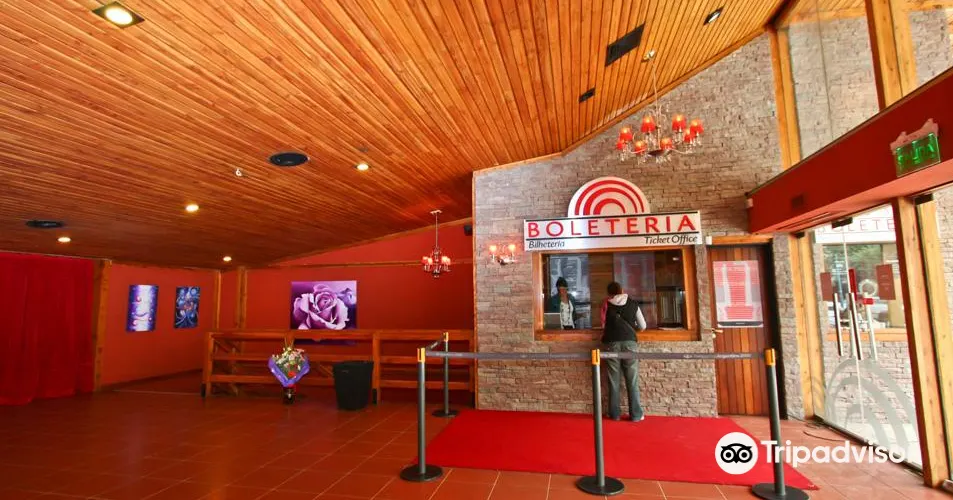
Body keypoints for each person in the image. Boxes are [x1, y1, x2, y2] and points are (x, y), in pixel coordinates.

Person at [601, 281, 647, 422]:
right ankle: (636, 415)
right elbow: (643, 326)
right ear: (622, 290)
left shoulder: (606, 304)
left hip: (611, 344)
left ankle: (614, 414)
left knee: (613, 380)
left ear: (609, 293)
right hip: (629, 344)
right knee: (632, 380)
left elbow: (603, 325)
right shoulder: (633, 304)